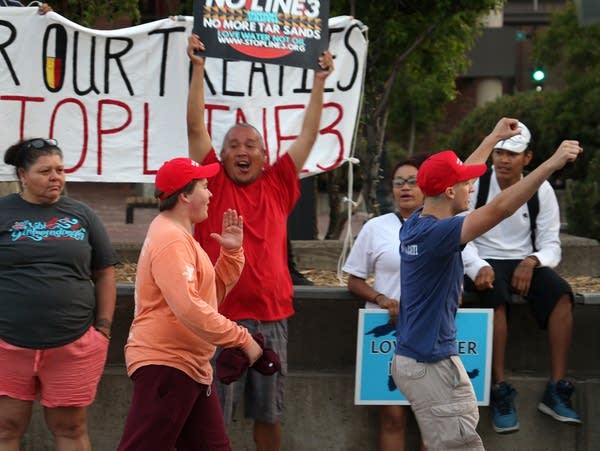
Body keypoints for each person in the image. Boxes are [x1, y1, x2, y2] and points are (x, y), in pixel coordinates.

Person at [390, 118, 582, 450]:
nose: (472, 188)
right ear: (450, 192)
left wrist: (493, 138)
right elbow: (501, 207)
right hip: (430, 365)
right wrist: (552, 163)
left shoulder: (417, 222)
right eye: (466, 185)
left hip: (424, 360)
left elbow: (462, 173)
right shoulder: (440, 234)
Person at [186, 34, 334, 450]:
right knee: (211, 418)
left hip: (272, 321)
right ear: (223, 154)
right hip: (218, 320)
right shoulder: (210, 181)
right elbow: (195, 127)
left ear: (265, 155)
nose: (241, 150)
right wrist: (197, 69)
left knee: (269, 417)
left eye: (251, 144)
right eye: (233, 145)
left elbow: (309, 134)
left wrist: (320, 81)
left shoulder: (279, 184)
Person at [117, 157, 263, 451]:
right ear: (184, 195)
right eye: (205, 186)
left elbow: (205, 299)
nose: (210, 194)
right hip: (168, 364)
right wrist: (242, 338)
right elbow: (189, 308)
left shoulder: (178, 236)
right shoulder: (171, 239)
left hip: (188, 366)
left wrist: (232, 254)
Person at [462, 122, 581, 433]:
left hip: (523, 259)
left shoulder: (541, 190)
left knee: (561, 295)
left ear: (527, 159)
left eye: (512, 154)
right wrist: (476, 266)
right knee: (495, 298)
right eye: (499, 152)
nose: (503, 160)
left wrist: (533, 260)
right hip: (483, 256)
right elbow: (459, 234)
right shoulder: (478, 185)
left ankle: (557, 386)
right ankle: (499, 387)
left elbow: (551, 243)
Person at [0, 138, 119, 450]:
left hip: (73, 345)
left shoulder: (82, 214)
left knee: (70, 427)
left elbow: (105, 271)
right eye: (45, 171)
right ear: (22, 176)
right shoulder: (3, 212)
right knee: (5, 428)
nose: (56, 177)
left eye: (60, 170)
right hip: (8, 345)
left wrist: (103, 330)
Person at [343, 156, 427, 451]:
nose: (405, 188)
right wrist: (381, 298)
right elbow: (354, 279)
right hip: (386, 333)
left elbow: (466, 268)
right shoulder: (376, 227)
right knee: (392, 415)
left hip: (431, 330)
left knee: (432, 418)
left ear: (427, 185)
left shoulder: (445, 226)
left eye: (413, 181)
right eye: (398, 182)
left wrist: (483, 269)